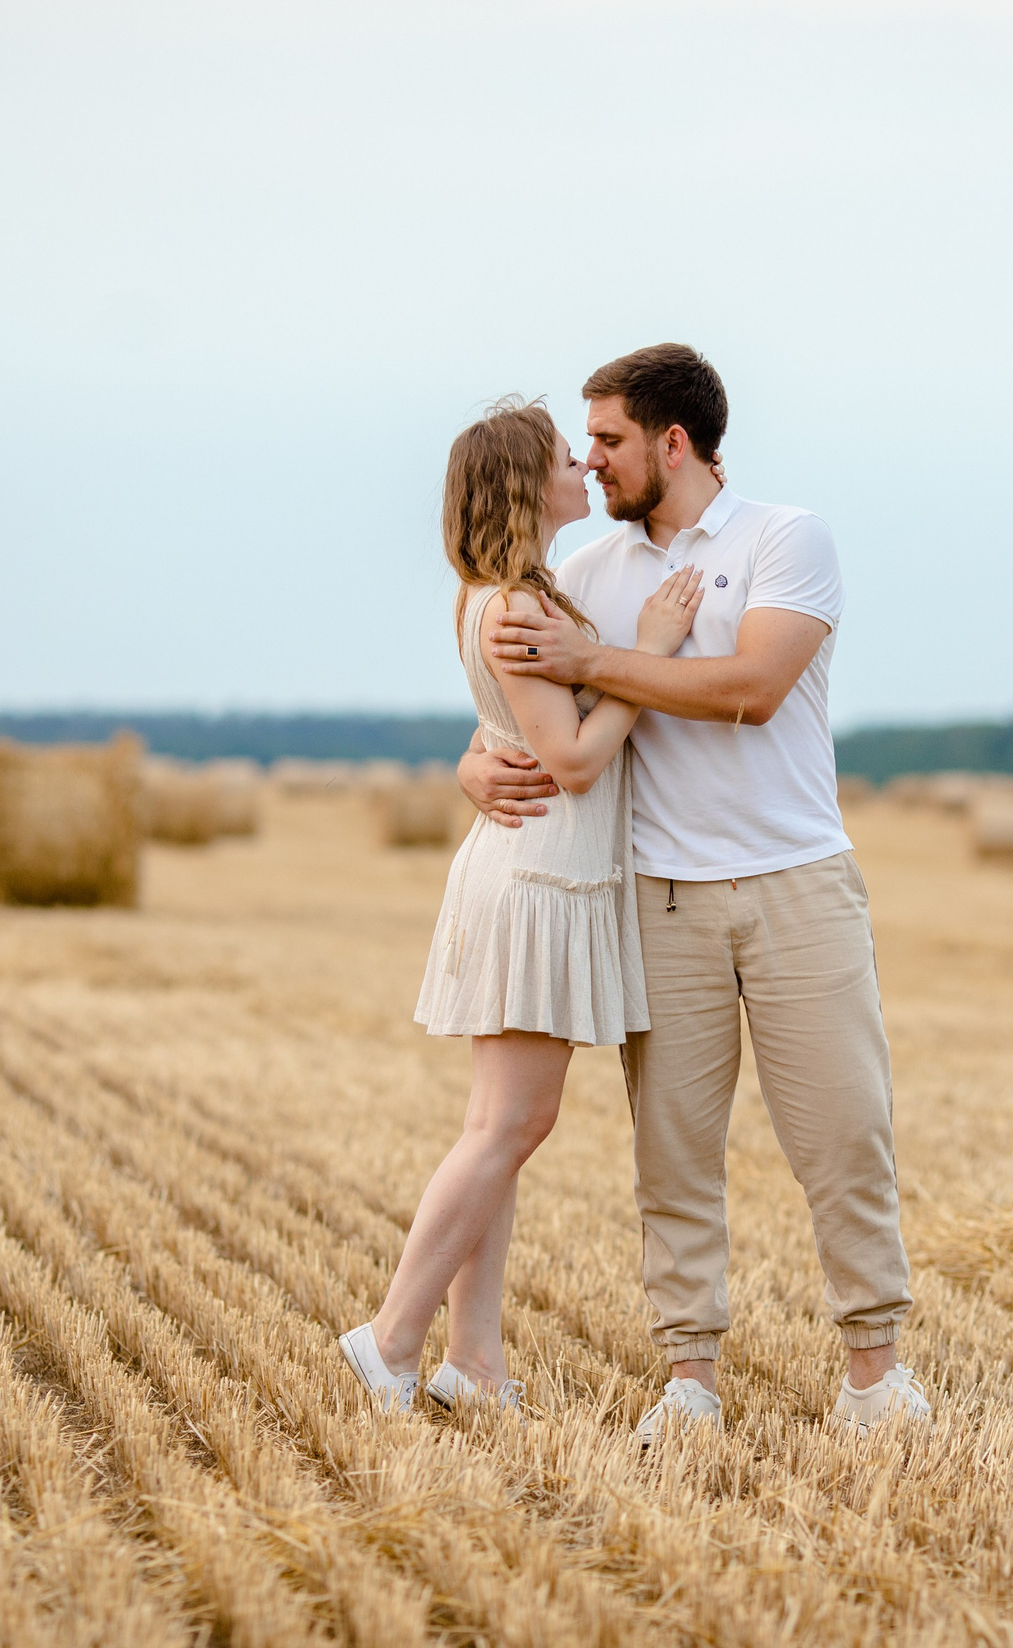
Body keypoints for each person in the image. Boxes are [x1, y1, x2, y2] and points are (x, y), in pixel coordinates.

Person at [460, 344, 929, 1441]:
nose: (590, 459)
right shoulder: (584, 576)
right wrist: (471, 766)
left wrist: (595, 662)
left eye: (609, 439)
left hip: (799, 883)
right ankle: (688, 1382)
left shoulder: (785, 538)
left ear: (674, 443)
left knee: (844, 1135)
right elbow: (516, 710)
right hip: (659, 898)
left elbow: (751, 688)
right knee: (671, 1154)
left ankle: (874, 1377)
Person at [338, 397, 704, 1413]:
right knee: (510, 1125)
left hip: (531, 868)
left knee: (496, 1128)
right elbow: (576, 760)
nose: (583, 467)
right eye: (563, 458)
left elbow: (512, 736)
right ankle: (390, 1338)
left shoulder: (502, 596)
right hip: (539, 877)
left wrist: (480, 758)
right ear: (523, 484)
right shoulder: (517, 609)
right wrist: (649, 658)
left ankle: (475, 1362)